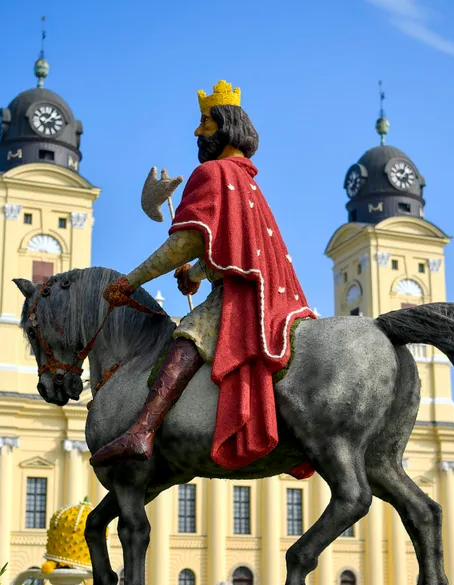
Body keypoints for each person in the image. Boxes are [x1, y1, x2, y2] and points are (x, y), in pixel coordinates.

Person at [89, 79, 317, 471]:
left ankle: (141, 431)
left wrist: (131, 281)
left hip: (243, 299)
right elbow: (231, 249)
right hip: (271, 295)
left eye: (206, 124)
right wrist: (196, 274)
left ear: (225, 125)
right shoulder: (245, 181)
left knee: (188, 335)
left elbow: (186, 242)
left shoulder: (213, 174)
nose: (198, 132)